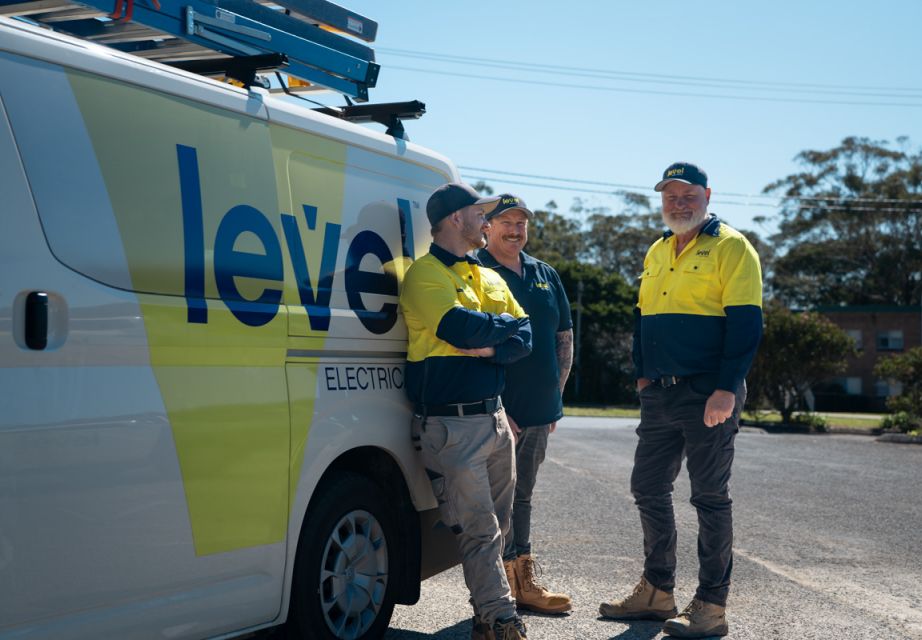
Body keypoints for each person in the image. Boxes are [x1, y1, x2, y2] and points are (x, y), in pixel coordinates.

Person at [599, 162, 763, 638]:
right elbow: (643, 318)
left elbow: (747, 324)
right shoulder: (657, 249)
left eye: (687, 194)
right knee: (647, 486)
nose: (679, 203)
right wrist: (642, 378)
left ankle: (712, 606)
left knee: (709, 497)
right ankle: (657, 591)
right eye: (670, 196)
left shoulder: (731, 247)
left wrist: (727, 387)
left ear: (707, 195)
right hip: (660, 394)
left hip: (708, 391)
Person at [400, 182, 534, 640]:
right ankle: (500, 620)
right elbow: (457, 327)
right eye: (480, 214)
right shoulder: (424, 275)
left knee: (498, 528)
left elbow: (526, 336)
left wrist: (491, 348)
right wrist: (502, 332)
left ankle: (485, 617)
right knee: (480, 531)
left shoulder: (488, 274)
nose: (487, 222)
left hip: (495, 420)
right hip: (450, 424)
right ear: (457, 218)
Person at [476, 194, 574, 616]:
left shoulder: (544, 274)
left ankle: (524, 582)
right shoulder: (475, 271)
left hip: (538, 410)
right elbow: (469, 345)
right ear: (486, 227)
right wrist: (499, 408)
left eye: (521, 224)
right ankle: (496, 590)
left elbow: (563, 339)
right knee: (494, 503)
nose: (515, 231)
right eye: (506, 223)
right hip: (494, 413)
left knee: (525, 496)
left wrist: (555, 396)